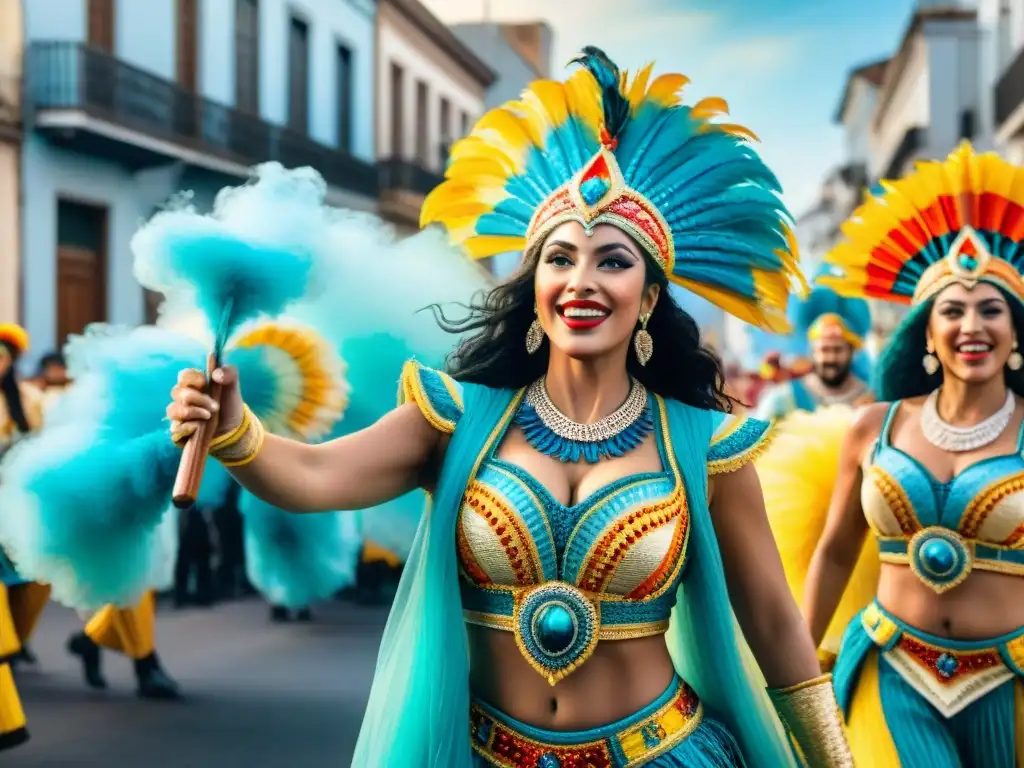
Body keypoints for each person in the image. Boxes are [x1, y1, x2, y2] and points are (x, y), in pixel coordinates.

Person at [167, 47, 851, 767]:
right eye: (559, 259)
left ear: (649, 299)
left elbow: (774, 622)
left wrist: (834, 762)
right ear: (534, 285)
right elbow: (313, 477)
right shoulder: (459, 419)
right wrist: (234, 429)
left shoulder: (704, 445)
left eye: (612, 262)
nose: (580, 281)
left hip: (662, 754)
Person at [804, 142, 1024, 764]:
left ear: (1014, 333)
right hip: (891, 668)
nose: (971, 326)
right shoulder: (872, 426)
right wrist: (796, 669)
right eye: (951, 311)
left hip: (1012, 681)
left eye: (991, 310)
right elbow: (837, 549)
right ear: (927, 332)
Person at [756, 283, 873, 420]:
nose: (831, 358)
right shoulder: (782, 400)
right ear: (812, 352)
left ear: (852, 352)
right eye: (824, 349)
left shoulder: (872, 399)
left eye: (838, 349)